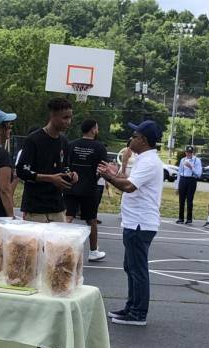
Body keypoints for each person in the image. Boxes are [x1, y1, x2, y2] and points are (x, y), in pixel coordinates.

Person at [97, 120, 163, 326]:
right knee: (131, 266)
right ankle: (131, 307)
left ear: (143, 140)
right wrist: (115, 172)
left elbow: (129, 187)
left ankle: (138, 313)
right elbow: (130, 180)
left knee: (137, 268)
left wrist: (108, 177)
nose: (131, 139)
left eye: (134, 136)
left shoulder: (149, 162)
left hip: (139, 223)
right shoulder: (144, 159)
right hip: (136, 222)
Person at [16, 98, 77, 223]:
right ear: (52, 115)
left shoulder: (64, 141)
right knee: (35, 243)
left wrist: (71, 175)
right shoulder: (33, 140)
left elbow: (65, 167)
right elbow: (22, 171)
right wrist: (50, 178)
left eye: (70, 117)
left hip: (57, 206)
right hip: (36, 207)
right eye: (65, 118)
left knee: (60, 243)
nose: (68, 122)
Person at [65, 119, 107, 261]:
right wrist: (95, 178)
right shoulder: (100, 147)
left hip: (71, 186)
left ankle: (60, 247)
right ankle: (94, 251)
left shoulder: (71, 145)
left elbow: (65, 165)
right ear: (92, 129)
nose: (98, 130)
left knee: (68, 217)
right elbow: (102, 169)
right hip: (89, 188)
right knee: (92, 220)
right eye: (97, 128)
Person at [175, 145, 202, 224]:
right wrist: (177, 186)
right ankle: (181, 218)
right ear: (185, 152)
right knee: (181, 200)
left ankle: (189, 219)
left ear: (193, 152)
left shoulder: (197, 160)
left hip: (192, 180)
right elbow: (179, 173)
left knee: (189, 200)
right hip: (183, 179)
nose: (189, 154)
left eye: (190, 152)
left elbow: (199, 174)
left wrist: (191, 167)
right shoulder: (182, 160)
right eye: (187, 152)